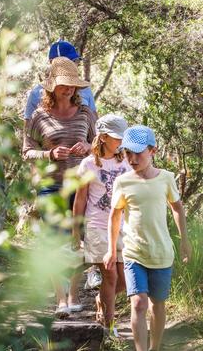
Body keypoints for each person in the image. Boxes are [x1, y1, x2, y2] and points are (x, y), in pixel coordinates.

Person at [103, 126, 192, 351]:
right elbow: (115, 217)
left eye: (137, 153)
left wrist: (184, 240)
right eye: (127, 153)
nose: (131, 159)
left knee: (157, 305)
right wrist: (112, 250)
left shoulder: (166, 178)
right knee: (139, 302)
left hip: (161, 252)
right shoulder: (123, 182)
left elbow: (178, 209)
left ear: (153, 151)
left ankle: (155, 347)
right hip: (134, 252)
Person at [22, 56, 97, 318]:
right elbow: (27, 151)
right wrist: (49, 155)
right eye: (64, 85)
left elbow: (100, 146)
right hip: (50, 187)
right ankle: (60, 299)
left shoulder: (86, 113)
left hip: (81, 187)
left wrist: (88, 147)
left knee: (77, 242)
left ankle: (75, 295)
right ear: (52, 87)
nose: (69, 90)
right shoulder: (38, 116)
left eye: (73, 86)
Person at [72, 114, 130, 334]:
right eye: (117, 138)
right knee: (110, 275)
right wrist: (75, 231)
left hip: (122, 227)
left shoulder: (126, 161)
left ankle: (101, 300)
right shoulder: (88, 164)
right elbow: (80, 199)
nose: (120, 143)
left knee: (124, 280)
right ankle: (108, 326)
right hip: (96, 226)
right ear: (103, 137)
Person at [23, 40, 96, 121]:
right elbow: (28, 127)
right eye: (68, 61)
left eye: (75, 61)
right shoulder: (37, 92)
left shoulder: (85, 89)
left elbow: (95, 122)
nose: (73, 64)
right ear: (52, 63)